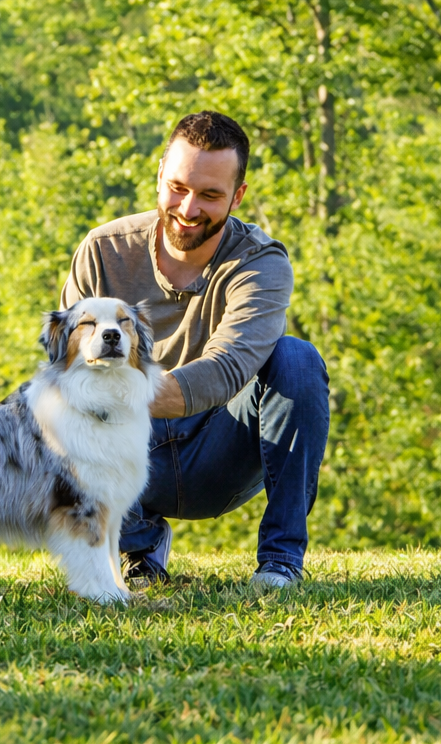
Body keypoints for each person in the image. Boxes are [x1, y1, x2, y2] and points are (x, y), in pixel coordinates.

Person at [61, 111, 329, 590]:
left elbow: (228, 368)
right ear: (159, 175)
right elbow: (67, 368)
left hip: (220, 448)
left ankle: (281, 561)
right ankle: (140, 548)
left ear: (238, 195)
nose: (188, 208)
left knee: (298, 359)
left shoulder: (260, 262)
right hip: (128, 449)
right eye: (178, 187)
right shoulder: (103, 251)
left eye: (210, 195)